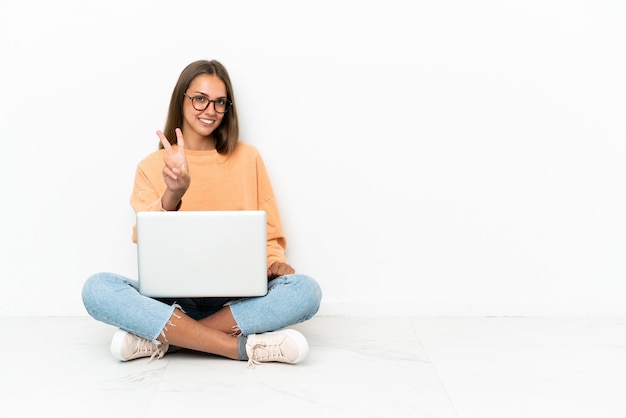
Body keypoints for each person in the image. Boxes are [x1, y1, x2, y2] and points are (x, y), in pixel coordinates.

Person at [81, 59, 322, 367]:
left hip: (236, 301)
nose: (210, 110)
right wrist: (174, 192)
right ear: (181, 98)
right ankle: (241, 348)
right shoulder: (152, 166)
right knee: (97, 289)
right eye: (200, 99)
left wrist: (276, 263)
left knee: (306, 291)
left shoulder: (248, 158)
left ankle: (165, 339)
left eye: (220, 102)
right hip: (171, 301)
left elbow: (270, 235)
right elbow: (147, 237)